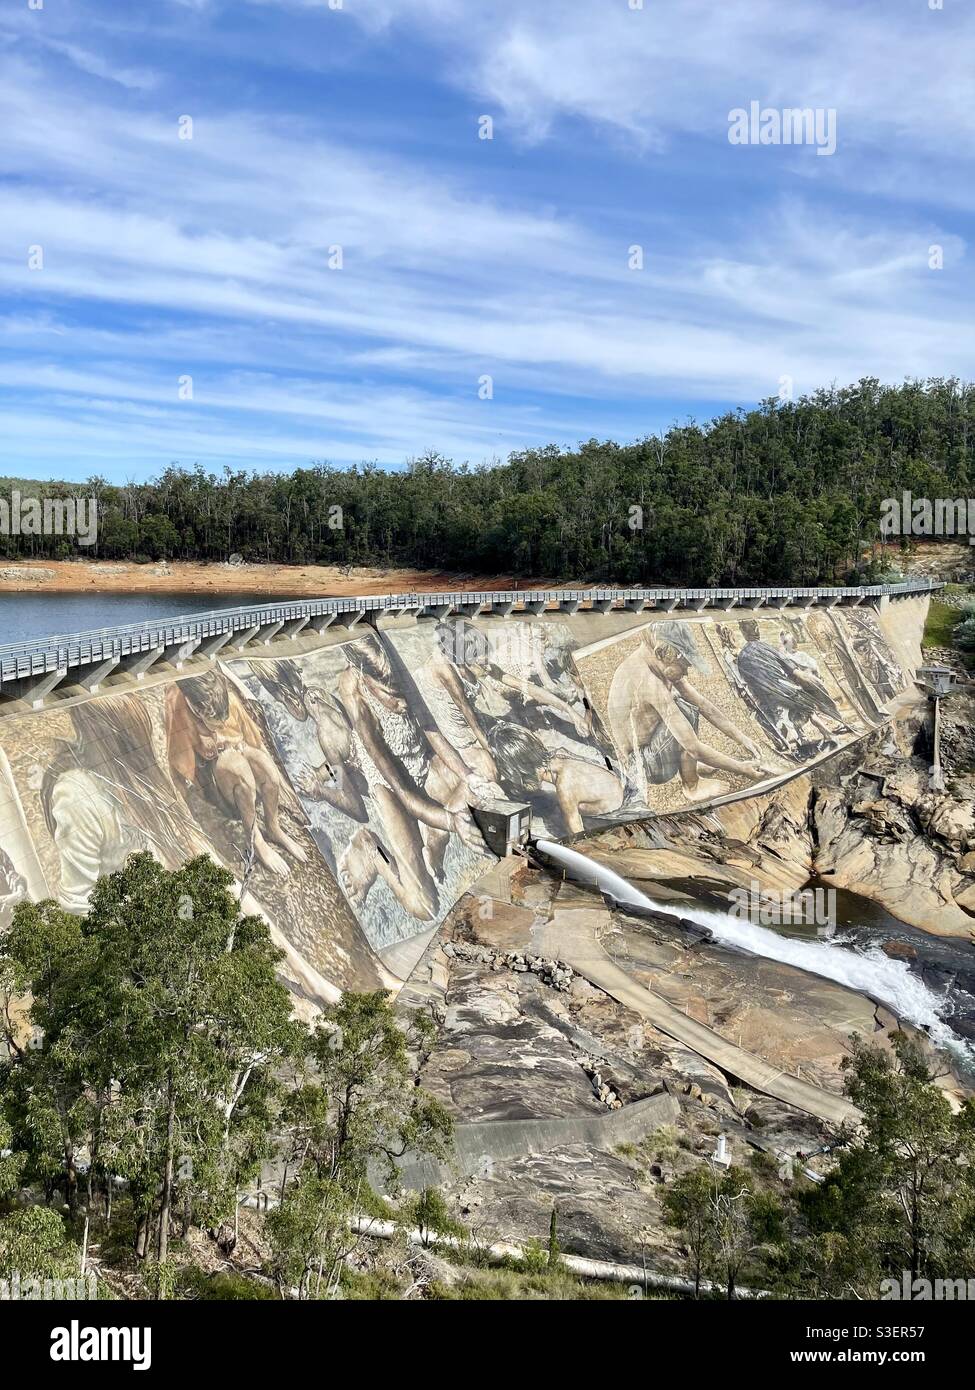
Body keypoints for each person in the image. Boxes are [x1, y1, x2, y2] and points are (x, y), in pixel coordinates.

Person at [607, 622, 783, 804]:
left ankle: (687, 764)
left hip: (650, 748)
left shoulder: (655, 661)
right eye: (684, 665)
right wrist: (741, 768)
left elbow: (703, 704)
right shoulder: (648, 681)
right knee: (684, 711)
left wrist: (741, 737)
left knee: (685, 704)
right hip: (645, 765)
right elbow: (693, 746)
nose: (687, 672)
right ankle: (692, 786)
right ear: (664, 654)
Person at [166, 672, 308, 878]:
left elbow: (257, 746)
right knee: (237, 766)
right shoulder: (180, 711)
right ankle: (257, 841)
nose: (223, 725)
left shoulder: (226, 699)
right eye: (216, 722)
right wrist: (182, 812)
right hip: (215, 778)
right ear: (196, 709)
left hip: (237, 758)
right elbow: (178, 768)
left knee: (267, 768)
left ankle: (273, 827)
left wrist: (282, 786)